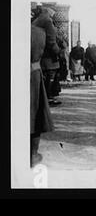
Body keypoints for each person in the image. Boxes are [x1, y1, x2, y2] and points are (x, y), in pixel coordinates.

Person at [30, 23, 54, 167]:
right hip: (32, 75)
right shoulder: (39, 32)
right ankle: (32, 154)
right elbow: (51, 49)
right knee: (35, 112)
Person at [32, 6, 61, 106]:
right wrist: (58, 51)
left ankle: (45, 98)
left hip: (39, 53)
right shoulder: (48, 20)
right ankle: (48, 99)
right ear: (49, 11)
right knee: (50, 76)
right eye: (54, 11)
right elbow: (51, 39)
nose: (54, 14)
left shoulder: (37, 19)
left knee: (44, 76)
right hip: (49, 54)